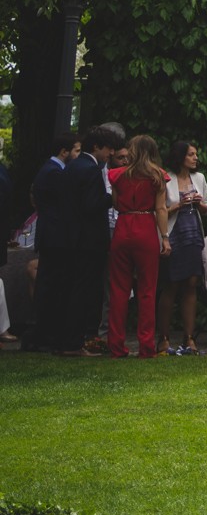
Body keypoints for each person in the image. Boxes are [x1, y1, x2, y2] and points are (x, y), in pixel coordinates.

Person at [51, 125, 123, 355]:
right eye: (109, 148)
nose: (111, 153)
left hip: (71, 238)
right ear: (97, 147)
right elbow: (91, 206)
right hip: (88, 240)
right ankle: (74, 342)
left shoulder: (73, 167)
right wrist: (110, 198)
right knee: (83, 291)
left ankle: (64, 340)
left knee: (69, 288)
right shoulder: (91, 170)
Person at [105, 134, 170, 359]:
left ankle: (116, 344)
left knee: (119, 289)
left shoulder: (117, 175)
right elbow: (161, 209)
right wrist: (165, 237)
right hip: (145, 227)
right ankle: (146, 345)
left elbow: (114, 202)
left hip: (123, 225)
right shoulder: (157, 176)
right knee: (147, 290)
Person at [24, 136, 78, 351]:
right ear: (64, 152)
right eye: (76, 151)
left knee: (49, 282)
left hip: (50, 235)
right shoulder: (55, 173)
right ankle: (46, 334)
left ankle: (44, 333)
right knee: (52, 283)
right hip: (55, 236)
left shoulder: (48, 170)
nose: (78, 155)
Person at [157, 141, 207, 357]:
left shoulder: (199, 179)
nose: (196, 158)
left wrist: (199, 204)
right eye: (191, 154)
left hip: (193, 233)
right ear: (180, 157)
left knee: (191, 283)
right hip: (173, 233)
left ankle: (189, 337)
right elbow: (159, 211)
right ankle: (164, 337)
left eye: (196, 154)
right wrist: (177, 205)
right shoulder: (166, 179)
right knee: (171, 283)